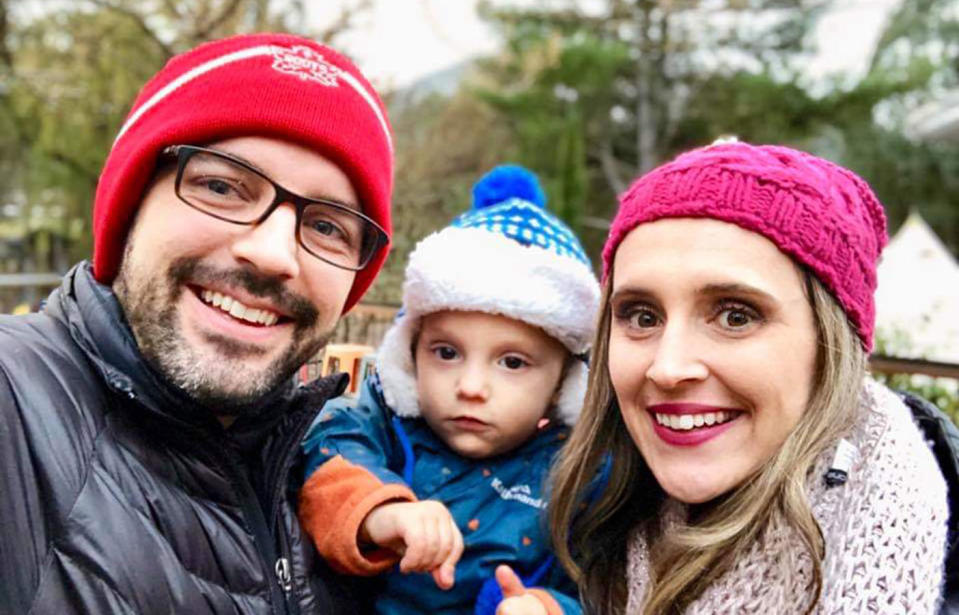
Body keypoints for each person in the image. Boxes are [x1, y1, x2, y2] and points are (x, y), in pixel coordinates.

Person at [0, 33, 393, 614]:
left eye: (329, 226)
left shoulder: (342, 464)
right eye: (222, 186)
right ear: (133, 206)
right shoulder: (14, 407)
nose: (274, 254)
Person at [547, 141, 950, 614]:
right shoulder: (589, 526)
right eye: (641, 316)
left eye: (736, 316)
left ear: (832, 344)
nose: (668, 367)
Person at [297, 166, 599, 614]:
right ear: (409, 356)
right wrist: (382, 512)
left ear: (562, 385)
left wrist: (548, 607)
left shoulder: (579, 477)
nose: (471, 387)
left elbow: (604, 588)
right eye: (446, 353)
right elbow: (327, 457)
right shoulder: (382, 425)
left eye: (512, 362)